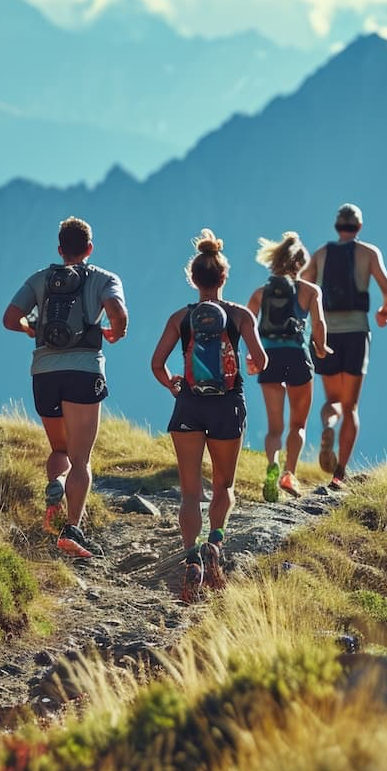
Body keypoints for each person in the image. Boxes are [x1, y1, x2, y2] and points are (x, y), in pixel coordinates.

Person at [150, 229, 267, 601]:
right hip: (227, 406)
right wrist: (247, 362)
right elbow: (261, 361)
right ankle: (215, 545)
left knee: (189, 493)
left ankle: (190, 559)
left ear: (193, 279)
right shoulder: (240, 315)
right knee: (223, 487)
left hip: (189, 405)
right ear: (224, 277)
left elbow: (156, 364)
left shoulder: (179, 319)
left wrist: (174, 385)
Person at [3, 216, 128, 558]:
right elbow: (117, 311)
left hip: (44, 373)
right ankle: (71, 528)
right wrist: (117, 331)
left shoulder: (40, 279)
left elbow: (9, 318)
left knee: (59, 450)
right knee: (80, 459)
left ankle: (56, 488)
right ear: (89, 248)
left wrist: (32, 328)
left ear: (60, 249)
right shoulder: (104, 278)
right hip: (84, 371)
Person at [298, 203, 387, 489]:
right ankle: (340, 473)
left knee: (332, 401)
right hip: (356, 331)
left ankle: (329, 425)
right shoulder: (369, 253)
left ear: (336, 227)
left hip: (327, 332)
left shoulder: (321, 254)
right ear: (359, 227)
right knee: (351, 406)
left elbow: (303, 286)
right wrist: (386, 308)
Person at [244, 231, 331, 502]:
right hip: (298, 358)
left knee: (274, 428)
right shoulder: (310, 291)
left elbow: (247, 326)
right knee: (298, 424)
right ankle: (288, 473)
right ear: (300, 264)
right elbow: (318, 325)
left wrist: (251, 356)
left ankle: (272, 464)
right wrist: (321, 347)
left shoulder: (260, 294)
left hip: (268, 359)